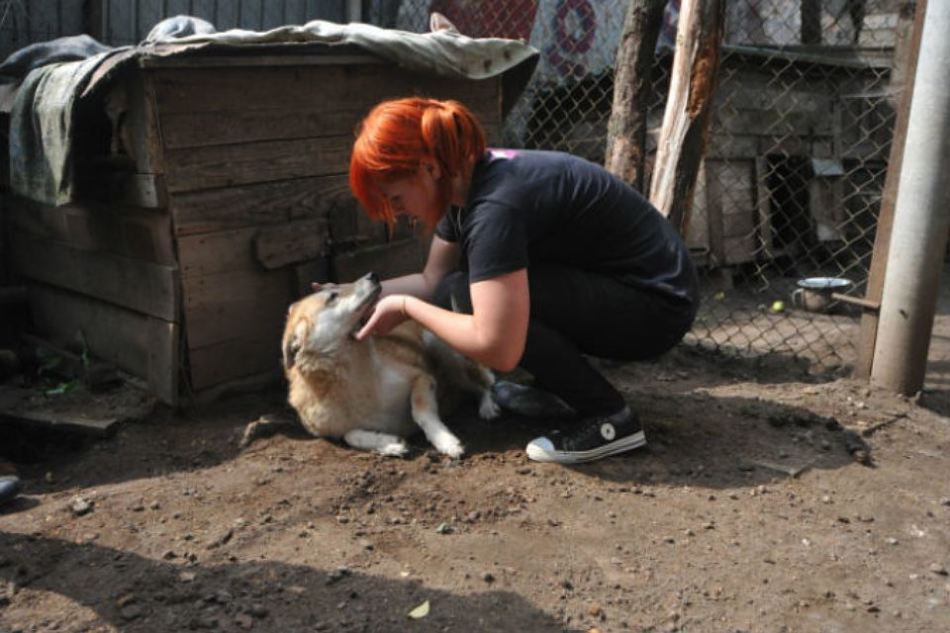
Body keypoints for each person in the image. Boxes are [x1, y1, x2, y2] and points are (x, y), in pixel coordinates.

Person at [348, 97, 699, 464]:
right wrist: (352, 296)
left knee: (469, 296)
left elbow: (498, 346)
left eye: (398, 200)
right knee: (457, 287)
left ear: (429, 169)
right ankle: (559, 391)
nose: (402, 214)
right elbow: (431, 278)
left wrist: (406, 307)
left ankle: (611, 418)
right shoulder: (466, 181)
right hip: (621, 287)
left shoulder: (495, 208)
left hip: (657, 307)